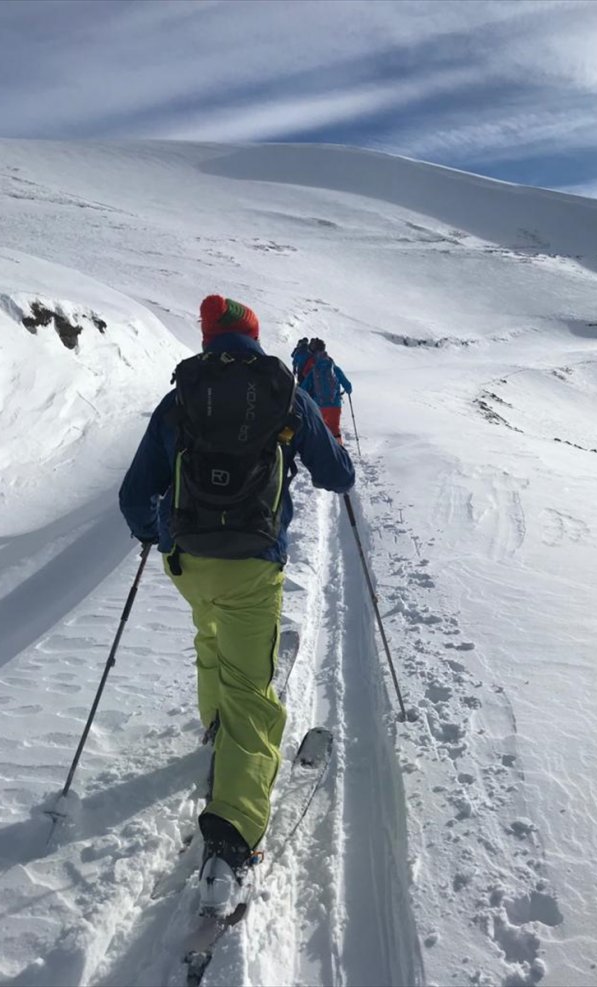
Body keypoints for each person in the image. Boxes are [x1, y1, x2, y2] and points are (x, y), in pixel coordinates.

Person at [118, 295, 354, 915]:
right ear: (253, 334)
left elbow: (134, 493)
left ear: (206, 338)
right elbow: (335, 475)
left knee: (208, 638)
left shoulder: (182, 396)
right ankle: (231, 840)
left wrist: (154, 533)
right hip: (252, 563)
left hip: (189, 562)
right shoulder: (281, 389)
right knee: (253, 690)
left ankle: (213, 723)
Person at [300, 338, 352, 444]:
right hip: (335, 405)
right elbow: (348, 386)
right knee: (334, 429)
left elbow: (303, 388)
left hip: (318, 404)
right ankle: (339, 450)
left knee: (321, 430)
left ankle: (323, 452)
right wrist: (347, 390)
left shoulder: (314, 369)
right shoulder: (334, 368)